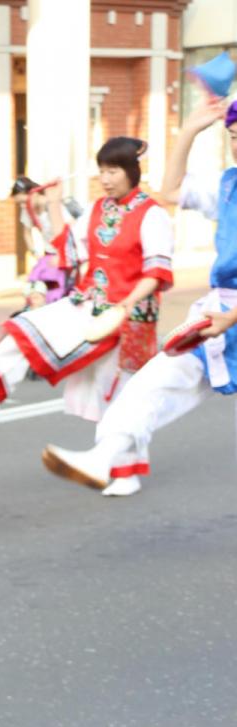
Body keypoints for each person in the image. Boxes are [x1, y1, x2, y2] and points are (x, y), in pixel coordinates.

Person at [42, 97, 237, 497]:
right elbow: (173, 189)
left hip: (216, 314)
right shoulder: (229, 184)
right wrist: (188, 132)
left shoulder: (147, 214)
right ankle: (104, 457)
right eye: (234, 137)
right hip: (219, 310)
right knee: (154, 381)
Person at [0, 138, 174, 422]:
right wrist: (54, 203)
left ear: (131, 170)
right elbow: (67, 250)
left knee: (117, 397)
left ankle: (121, 462)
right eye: (102, 171)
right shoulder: (98, 208)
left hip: (129, 317)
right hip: (87, 304)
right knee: (27, 327)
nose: (105, 179)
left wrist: (126, 304)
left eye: (113, 171)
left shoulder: (152, 214)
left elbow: (157, 272)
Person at [11, 175, 80, 309]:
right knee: (34, 283)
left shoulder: (55, 206)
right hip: (48, 255)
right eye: (19, 204)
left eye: (24, 202)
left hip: (66, 256)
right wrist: (35, 253)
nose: (23, 206)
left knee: (58, 288)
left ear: (34, 193)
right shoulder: (28, 210)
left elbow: (68, 230)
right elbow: (27, 232)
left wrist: (62, 255)